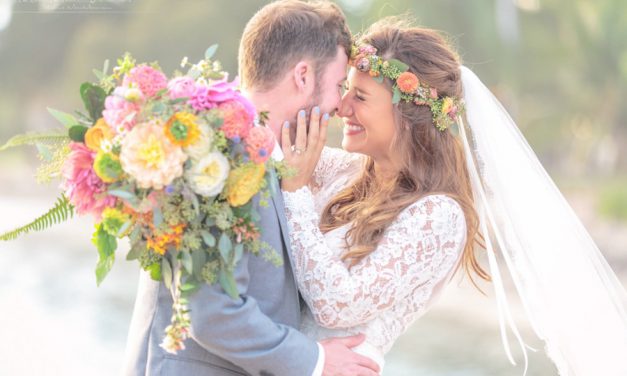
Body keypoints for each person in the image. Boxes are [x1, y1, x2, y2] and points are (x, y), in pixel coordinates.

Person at [280, 17, 627, 375]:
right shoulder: (342, 170)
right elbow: (272, 141)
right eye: (346, 89)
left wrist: (294, 192)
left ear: (407, 114)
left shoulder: (437, 216)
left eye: (361, 96)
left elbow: (337, 306)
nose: (342, 106)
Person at [122, 1, 380, 375]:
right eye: (339, 86)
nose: (339, 106)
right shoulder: (219, 152)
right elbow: (210, 312)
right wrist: (317, 360)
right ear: (303, 76)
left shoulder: (266, 157)